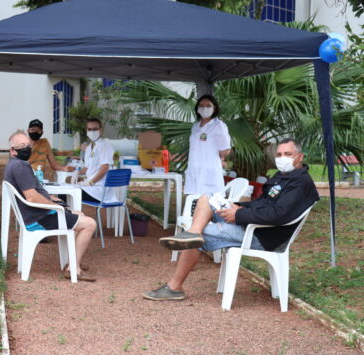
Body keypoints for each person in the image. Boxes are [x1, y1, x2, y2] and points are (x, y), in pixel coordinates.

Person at [143, 138, 319, 301]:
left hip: (263, 236)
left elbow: (278, 215)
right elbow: (262, 204)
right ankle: (193, 233)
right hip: (252, 224)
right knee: (208, 198)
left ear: (300, 157)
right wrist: (237, 207)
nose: (282, 158)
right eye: (279, 155)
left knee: (203, 232)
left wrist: (239, 215)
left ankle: (174, 286)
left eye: (288, 154)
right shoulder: (283, 176)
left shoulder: (301, 183)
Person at [4, 131, 97, 281]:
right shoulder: (20, 166)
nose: (26, 148)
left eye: (28, 145)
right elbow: (32, 197)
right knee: (90, 224)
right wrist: (56, 207)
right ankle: (74, 269)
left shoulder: (15, 164)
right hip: (38, 218)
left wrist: (59, 204)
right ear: (13, 150)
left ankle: (73, 261)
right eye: (21, 146)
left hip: (35, 215)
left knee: (79, 215)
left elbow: (37, 193)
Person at [184, 95, 231, 196]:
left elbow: (226, 150)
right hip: (194, 170)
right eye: (201, 105)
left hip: (209, 172)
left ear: (214, 108)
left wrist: (217, 156)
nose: (204, 108)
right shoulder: (195, 126)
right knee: (192, 201)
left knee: (209, 204)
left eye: (208, 106)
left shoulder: (219, 126)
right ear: (197, 108)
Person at [77, 118, 118, 204]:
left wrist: (91, 182)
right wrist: (76, 173)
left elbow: (105, 168)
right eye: (89, 129)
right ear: (86, 130)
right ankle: (73, 216)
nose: (92, 131)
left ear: (101, 130)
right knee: (67, 192)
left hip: (100, 191)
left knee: (66, 195)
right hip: (91, 188)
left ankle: (73, 217)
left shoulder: (104, 145)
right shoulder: (89, 148)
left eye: (95, 129)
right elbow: (87, 167)